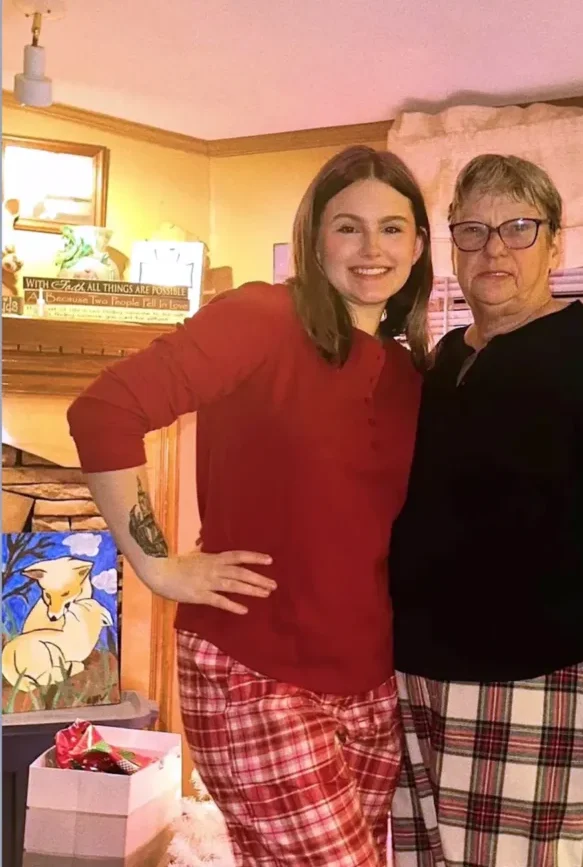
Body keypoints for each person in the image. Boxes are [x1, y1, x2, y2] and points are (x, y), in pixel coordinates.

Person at [66, 145, 434, 867]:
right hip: (252, 666)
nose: (371, 248)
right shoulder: (263, 318)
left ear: (419, 245)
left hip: (369, 682)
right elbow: (104, 410)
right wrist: (157, 564)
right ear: (313, 237)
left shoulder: (407, 373)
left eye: (392, 228)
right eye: (347, 227)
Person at [388, 153, 583, 867]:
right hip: (412, 686)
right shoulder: (435, 366)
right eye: (472, 229)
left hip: (541, 688)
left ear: (554, 243)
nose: (494, 248)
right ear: (451, 247)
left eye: (518, 228)